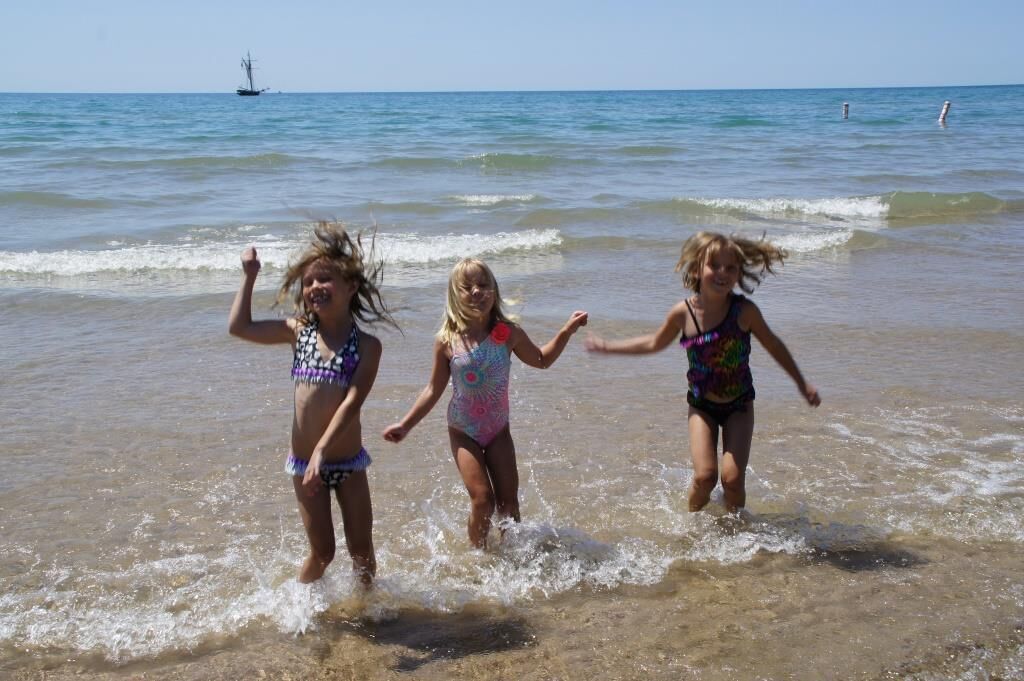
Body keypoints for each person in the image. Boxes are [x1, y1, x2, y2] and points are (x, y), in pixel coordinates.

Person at [585, 231, 820, 513]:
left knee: (732, 480)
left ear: (738, 273)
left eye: (730, 267)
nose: (722, 273)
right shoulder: (682, 313)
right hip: (701, 407)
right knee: (704, 477)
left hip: (739, 406)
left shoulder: (745, 312)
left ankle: (737, 532)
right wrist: (610, 347)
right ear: (697, 268)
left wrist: (800, 382)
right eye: (714, 266)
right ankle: (693, 525)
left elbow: (774, 345)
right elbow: (653, 343)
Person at [228, 222, 396, 585]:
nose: (315, 287)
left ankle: (367, 615)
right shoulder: (298, 332)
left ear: (351, 286)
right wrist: (249, 276)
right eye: (308, 282)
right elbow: (238, 327)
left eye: (325, 280)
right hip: (305, 464)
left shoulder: (367, 347)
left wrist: (323, 449)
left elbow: (352, 401)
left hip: (348, 463)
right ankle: (299, 611)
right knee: (323, 553)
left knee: (362, 551)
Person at [382, 258, 588, 548]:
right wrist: (406, 425)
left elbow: (542, 360)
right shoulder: (447, 340)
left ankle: (513, 555)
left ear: (495, 291)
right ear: (455, 295)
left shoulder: (507, 333)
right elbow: (433, 389)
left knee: (508, 503)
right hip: (463, 431)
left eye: (483, 285)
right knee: (483, 500)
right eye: (467, 287)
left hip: (498, 431)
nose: (476, 292)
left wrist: (567, 330)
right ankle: (479, 557)